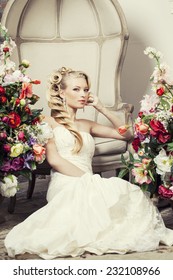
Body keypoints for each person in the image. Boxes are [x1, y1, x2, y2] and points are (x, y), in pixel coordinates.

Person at [4, 67, 173, 259]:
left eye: (85, 89)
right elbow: (54, 160)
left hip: (89, 180)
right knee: (82, 221)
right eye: (76, 89)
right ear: (61, 92)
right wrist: (87, 179)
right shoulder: (47, 121)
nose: (83, 94)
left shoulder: (86, 124)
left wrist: (101, 107)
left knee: (123, 207)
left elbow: (127, 133)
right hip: (66, 181)